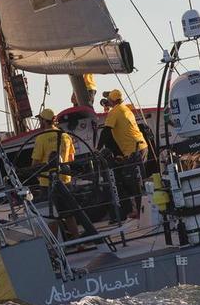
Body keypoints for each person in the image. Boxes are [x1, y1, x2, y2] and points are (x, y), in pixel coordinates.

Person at [30, 108, 97, 240]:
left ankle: (55, 245)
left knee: (52, 215)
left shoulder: (41, 138)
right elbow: (71, 159)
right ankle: (79, 242)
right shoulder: (66, 136)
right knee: (69, 214)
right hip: (65, 180)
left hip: (47, 182)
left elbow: (35, 164)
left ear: (43, 121)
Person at [98, 89, 148, 219]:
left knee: (133, 182)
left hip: (134, 150)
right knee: (135, 180)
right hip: (140, 147)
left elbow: (106, 132)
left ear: (112, 100)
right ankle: (140, 209)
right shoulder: (125, 109)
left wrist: (97, 148)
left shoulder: (115, 112)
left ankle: (141, 212)